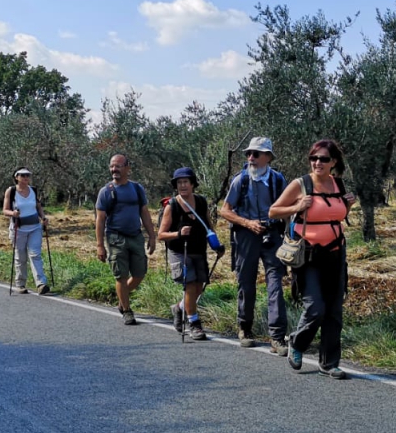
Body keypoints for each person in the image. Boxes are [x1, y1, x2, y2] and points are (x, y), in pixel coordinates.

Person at [268, 139, 355, 380]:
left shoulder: (338, 183)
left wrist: (347, 206)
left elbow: (335, 214)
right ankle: (297, 343)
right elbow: (273, 211)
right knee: (315, 308)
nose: (318, 162)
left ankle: (329, 363)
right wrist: (297, 205)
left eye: (324, 159)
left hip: (336, 253)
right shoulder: (301, 184)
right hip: (307, 254)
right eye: (314, 158)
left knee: (334, 310)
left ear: (333, 162)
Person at [220, 136, 290, 353]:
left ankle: (277, 337)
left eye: (256, 154)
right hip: (246, 237)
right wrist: (248, 223)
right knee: (246, 283)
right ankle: (245, 328)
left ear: (268, 157)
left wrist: (290, 236)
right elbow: (224, 210)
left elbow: (288, 208)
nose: (251, 157)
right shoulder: (239, 180)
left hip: (273, 235)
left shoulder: (278, 180)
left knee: (275, 284)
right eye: (249, 153)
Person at [95, 154, 157, 325]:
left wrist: (152, 237)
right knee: (121, 276)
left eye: (118, 166)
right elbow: (100, 220)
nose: (114, 169)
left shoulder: (137, 189)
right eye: (112, 166)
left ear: (128, 168)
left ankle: (122, 298)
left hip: (135, 236)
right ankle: (127, 310)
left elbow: (144, 213)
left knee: (139, 273)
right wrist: (100, 245)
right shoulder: (106, 191)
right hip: (115, 238)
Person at [159, 167, 214, 340]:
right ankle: (194, 323)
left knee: (198, 287)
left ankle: (179, 308)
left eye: (185, 182)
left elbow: (209, 226)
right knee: (190, 285)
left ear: (192, 184)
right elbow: (161, 234)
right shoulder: (172, 206)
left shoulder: (201, 202)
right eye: (179, 182)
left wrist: (217, 244)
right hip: (179, 251)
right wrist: (178, 233)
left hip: (198, 250)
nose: (182, 185)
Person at [2, 168, 50, 294]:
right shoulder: (11, 191)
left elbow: (38, 207)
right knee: (21, 257)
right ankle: (20, 284)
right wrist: (13, 213)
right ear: (16, 177)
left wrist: (43, 218)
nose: (26, 177)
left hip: (35, 227)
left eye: (28, 175)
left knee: (35, 255)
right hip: (19, 228)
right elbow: (5, 210)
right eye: (23, 175)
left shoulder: (33, 190)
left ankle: (41, 283)